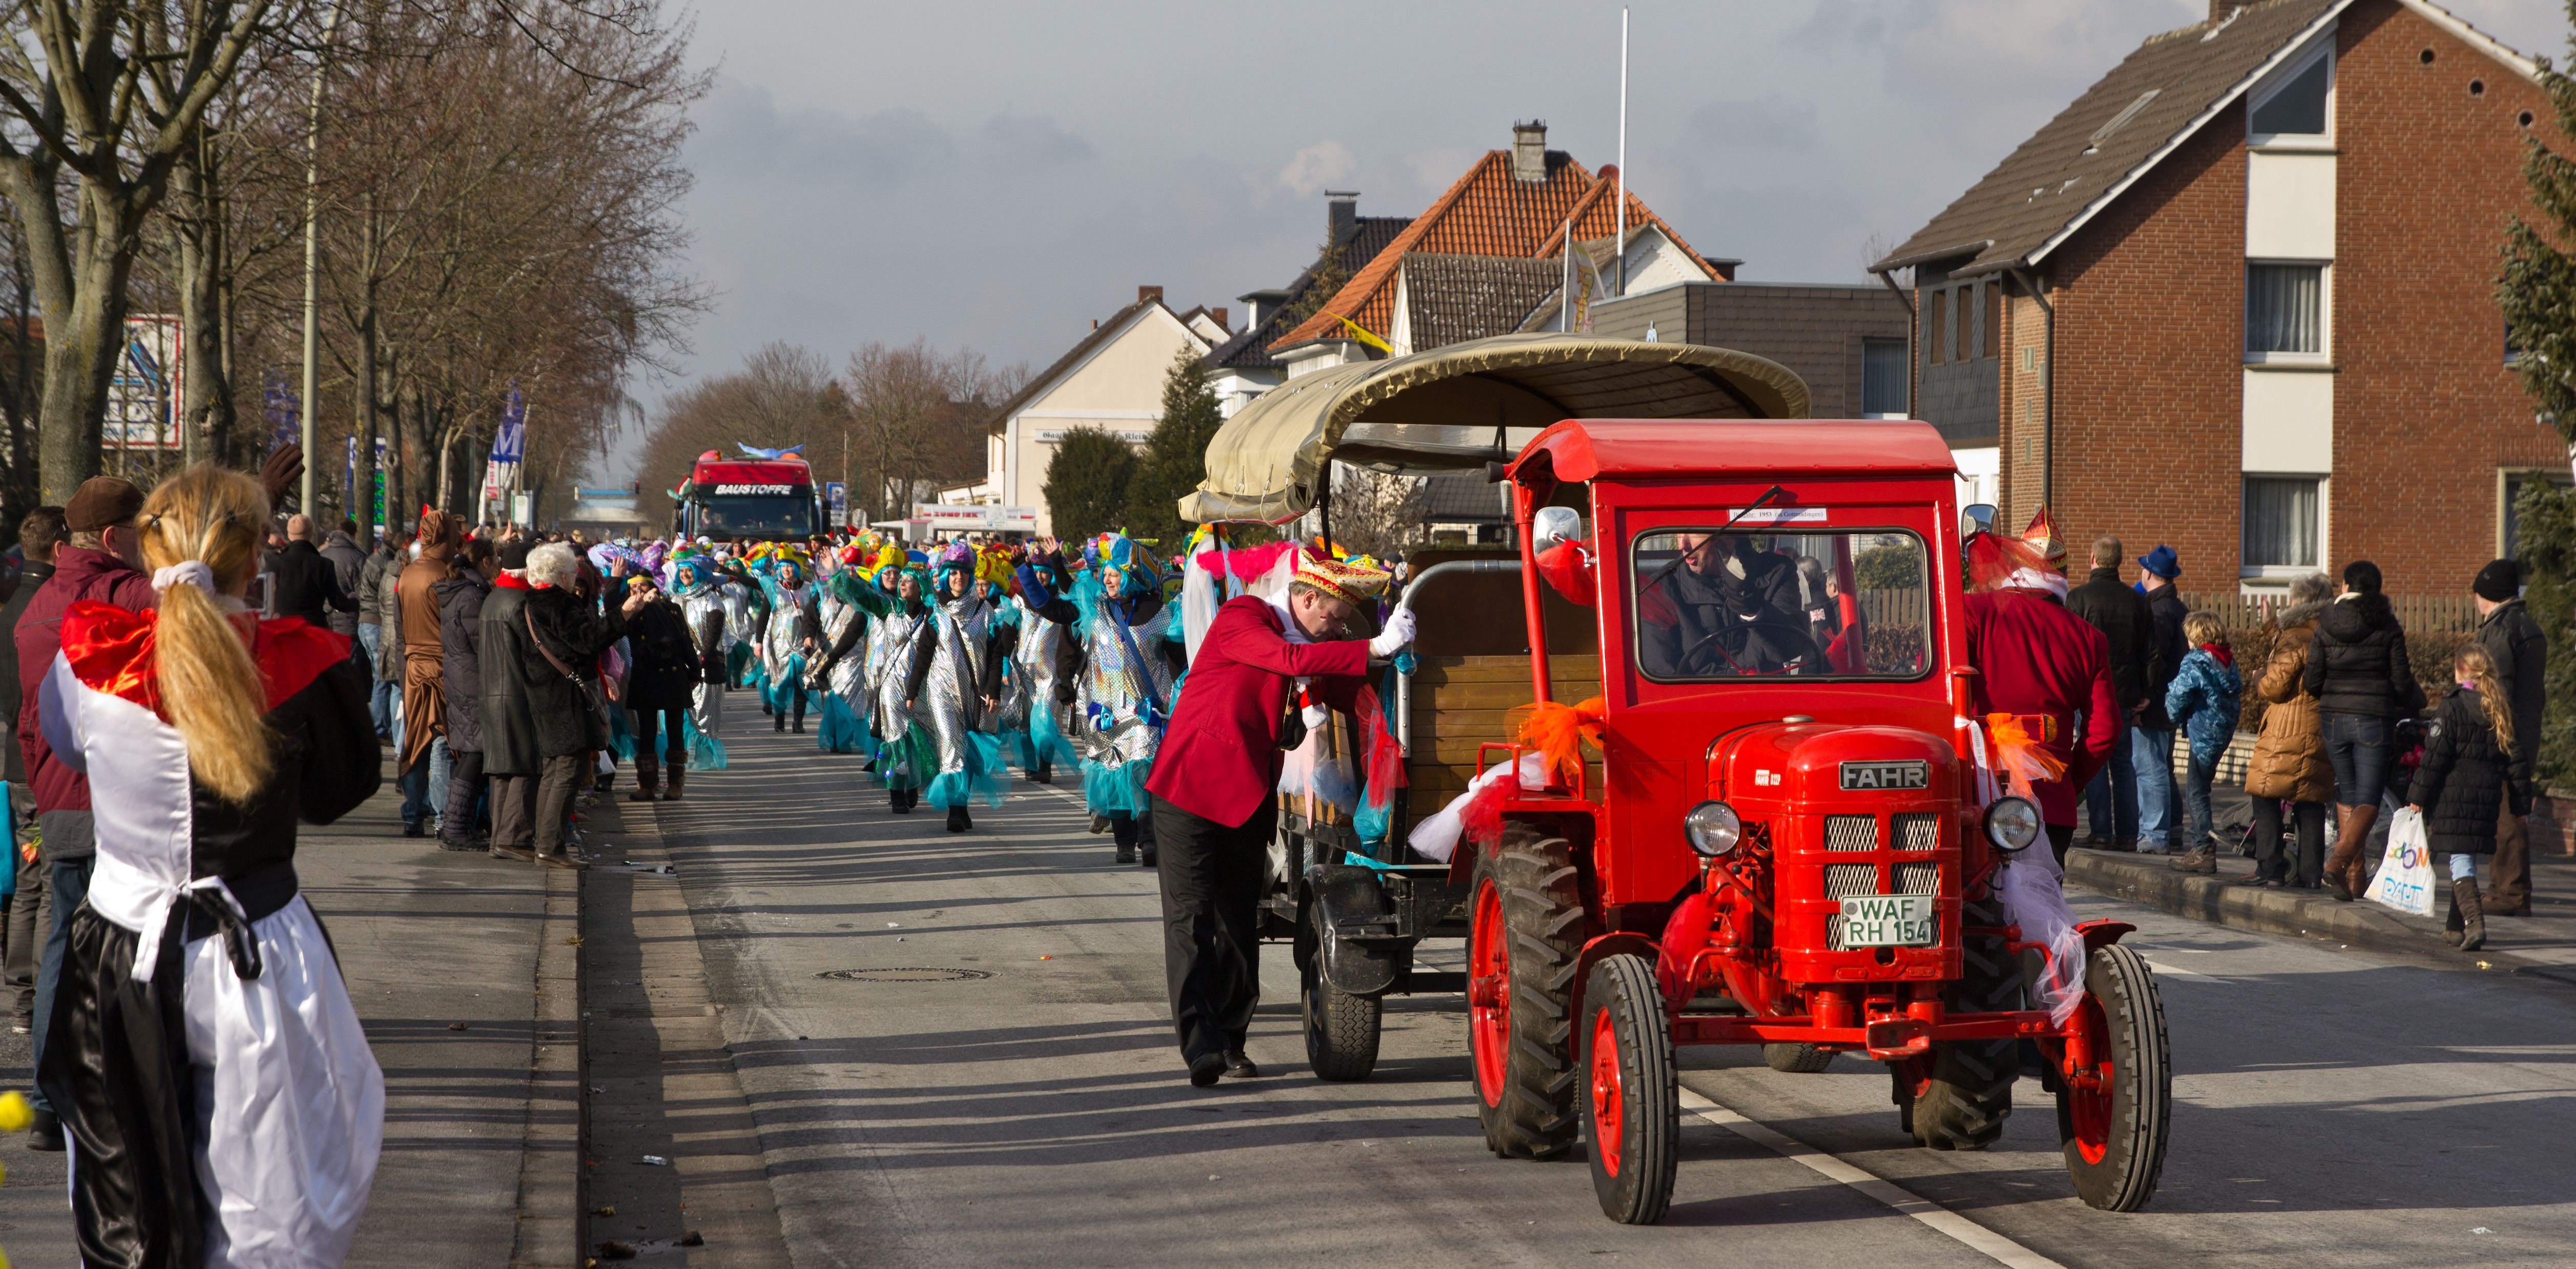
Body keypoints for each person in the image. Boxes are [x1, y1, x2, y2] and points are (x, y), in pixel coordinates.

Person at [35, 462, 383, 1263]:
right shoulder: (302, 664)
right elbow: (339, 790)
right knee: (275, 1204)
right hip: (258, 951)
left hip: (118, 952)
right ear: (255, 556)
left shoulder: (89, 658)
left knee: (126, 1201)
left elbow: (67, 745)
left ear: (147, 551)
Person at [1143, 550, 1410, 1085]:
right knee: (1191, 920)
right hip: (1189, 790)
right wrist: (1373, 646)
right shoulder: (1244, 616)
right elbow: (1285, 658)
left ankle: (1231, 1039)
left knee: (1238, 924)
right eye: (1334, 618)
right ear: (1306, 599)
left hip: (1246, 797)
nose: (1337, 630)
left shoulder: (1311, 646)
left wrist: (1395, 666)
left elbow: (1346, 689)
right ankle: (1200, 1046)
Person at [16, 477, 157, 1154]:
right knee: (133, 952)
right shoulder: (126, 594)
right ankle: (117, 1094)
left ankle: (48, 1102)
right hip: (122, 799)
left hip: (59, 797)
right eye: (142, 529)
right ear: (112, 537)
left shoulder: (37, 608)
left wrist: (44, 794)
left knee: (62, 947)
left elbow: (28, 721)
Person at [1959, 517, 2120, 863]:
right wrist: (2068, 780)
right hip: (2051, 802)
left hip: (1977, 793)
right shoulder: (2089, 637)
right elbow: (2105, 731)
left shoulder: (1974, 612)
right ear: (2063, 574)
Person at [1019, 534, 1187, 864]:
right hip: (1104, 712)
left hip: (1143, 712)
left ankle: (1148, 838)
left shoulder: (1160, 613)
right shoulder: (1094, 609)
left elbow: (1179, 662)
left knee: (1141, 769)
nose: (1108, 579)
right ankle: (1124, 842)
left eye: (1114, 574)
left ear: (1132, 576)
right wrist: (1029, 570)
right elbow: (1049, 607)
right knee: (1111, 772)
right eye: (1105, 573)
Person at [2304, 560, 2423, 901]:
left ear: (2345, 586)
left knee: (2348, 794)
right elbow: (2401, 681)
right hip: (2372, 719)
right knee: (2369, 800)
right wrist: (2416, 699)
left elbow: (2312, 680)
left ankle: (2354, 878)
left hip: (2332, 719)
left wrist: (2334, 694)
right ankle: (2338, 864)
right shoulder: (2386, 622)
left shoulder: (2326, 620)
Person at [523, 542, 641, 867]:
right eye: (573, 573)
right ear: (562, 576)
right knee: (566, 772)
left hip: (545, 694)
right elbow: (589, 641)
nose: (577, 577)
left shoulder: (530, 603)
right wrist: (624, 613)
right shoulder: (560, 604)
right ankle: (551, 847)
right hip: (567, 698)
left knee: (554, 771)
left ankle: (546, 843)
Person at [2407, 643, 2528, 953]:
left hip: (2455, 789)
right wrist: (2519, 805)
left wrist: (2418, 795)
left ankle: (2474, 923)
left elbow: (2435, 756)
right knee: (2466, 855)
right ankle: (2454, 927)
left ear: (2460, 671)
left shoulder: (2453, 706)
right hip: (2487, 793)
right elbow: (2516, 760)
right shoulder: (2499, 705)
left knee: (2460, 858)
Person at [0, 506, 60, 1036]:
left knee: (27, 880)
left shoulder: (9, 606)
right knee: (43, 882)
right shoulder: (49, 609)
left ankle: (21, 995)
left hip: (16, 764)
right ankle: (36, 996)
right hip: (43, 762)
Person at [2237, 574, 2335, 889]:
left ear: (2298, 602)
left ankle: (2270, 867)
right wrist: (2271, 628)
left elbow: (2275, 686)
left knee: (2264, 792)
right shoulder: (2329, 633)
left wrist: (2258, 677)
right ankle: (2310, 875)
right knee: (2310, 799)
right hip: (2319, 727)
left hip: (2288, 729)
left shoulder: (2295, 637)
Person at [2066, 536, 2153, 850]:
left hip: (2089, 692)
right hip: (2126, 693)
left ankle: (2101, 831)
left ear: (2092, 558)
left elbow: (2070, 650)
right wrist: (2146, 691)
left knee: (2095, 762)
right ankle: (2128, 835)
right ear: (2120, 561)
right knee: (2124, 764)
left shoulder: (2077, 598)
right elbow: (2149, 651)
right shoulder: (2137, 601)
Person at [2471, 559, 2546, 917]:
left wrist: (2483, 727)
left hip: (2504, 733)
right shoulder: (2525, 624)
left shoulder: (2500, 630)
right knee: (2510, 808)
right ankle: (2506, 889)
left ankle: (2510, 892)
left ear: (2487, 594)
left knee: (2504, 814)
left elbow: (2495, 689)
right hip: (2523, 729)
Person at [1637, 532, 1821, 678]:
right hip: (1696, 707)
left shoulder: (1776, 572)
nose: (1682, 545)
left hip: (1764, 700)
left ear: (1728, 537)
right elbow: (1659, 673)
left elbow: (1790, 647)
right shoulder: (1662, 588)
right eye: (1678, 533)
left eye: (1694, 532)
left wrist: (1748, 603)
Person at [2163, 611, 2242, 873]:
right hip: (2221, 732)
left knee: (2196, 794)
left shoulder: (2196, 661)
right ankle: (2199, 845)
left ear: (2197, 637)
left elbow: (2178, 694)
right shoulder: (2226, 660)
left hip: (2203, 732)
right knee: (2201, 789)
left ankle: (2203, 850)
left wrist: (2174, 715)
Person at [481, 542, 545, 862]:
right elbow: (535, 653)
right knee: (525, 766)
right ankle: (515, 839)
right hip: (518, 693)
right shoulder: (522, 602)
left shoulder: (493, 598)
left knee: (503, 770)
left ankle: (500, 837)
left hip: (493, 692)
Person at [396, 513, 458, 837]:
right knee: (443, 741)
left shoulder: (407, 573)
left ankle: (412, 814)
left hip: (414, 667)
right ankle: (444, 817)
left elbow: (400, 626)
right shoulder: (446, 574)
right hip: (442, 665)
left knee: (415, 740)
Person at [434, 538, 495, 851]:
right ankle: (455, 828)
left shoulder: (463, 591)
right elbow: (484, 644)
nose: (498, 565)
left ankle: (459, 827)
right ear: (485, 562)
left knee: (474, 752)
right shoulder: (472, 595)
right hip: (471, 681)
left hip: (462, 677)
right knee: (475, 753)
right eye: (496, 559)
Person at [621, 574, 698, 802]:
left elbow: (684, 640)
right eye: (633, 587)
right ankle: (646, 784)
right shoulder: (629, 611)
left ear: (653, 587)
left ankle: (675, 784)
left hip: (672, 675)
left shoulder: (671, 609)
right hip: (645, 675)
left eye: (643, 586)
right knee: (646, 732)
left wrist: (695, 670)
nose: (639, 590)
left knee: (675, 730)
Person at [2131, 544, 2188, 854]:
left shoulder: (2157, 611)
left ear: (2149, 573)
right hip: (2170, 701)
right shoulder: (2177, 608)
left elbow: (2154, 659)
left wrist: (2144, 697)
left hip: (2155, 703)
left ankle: (2154, 834)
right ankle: (2173, 827)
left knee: (2150, 767)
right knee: (2164, 766)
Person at [269, 513, 359, 629]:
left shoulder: (274, 562)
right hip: (313, 630)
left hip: (283, 629)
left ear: (289, 535)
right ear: (312, 535)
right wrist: (355, 601)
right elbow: (338, 603)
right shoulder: (324, 564)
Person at [358, 532, 402, 739]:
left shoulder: (374, 559)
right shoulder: (386, 564)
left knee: (381, 678)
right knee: (384, 680)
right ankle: (378, 728)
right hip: (376, 622)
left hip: (366, 621)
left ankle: (379, 727)